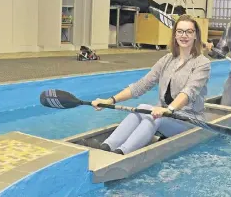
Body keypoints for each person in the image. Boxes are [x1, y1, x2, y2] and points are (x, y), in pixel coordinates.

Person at [84, 15, 211, 155]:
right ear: (175, 35)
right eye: (180, 31)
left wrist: (169, 109)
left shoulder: (202, 63)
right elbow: (142, 85)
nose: (184, 35)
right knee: (141, 108)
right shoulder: (167, 60)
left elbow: (189, 92)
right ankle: (107, 147)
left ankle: (121, 154)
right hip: (164, 115)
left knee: (154, 116)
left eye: (189, 31)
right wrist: (110, 100)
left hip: (188, 120)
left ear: (195, 35)